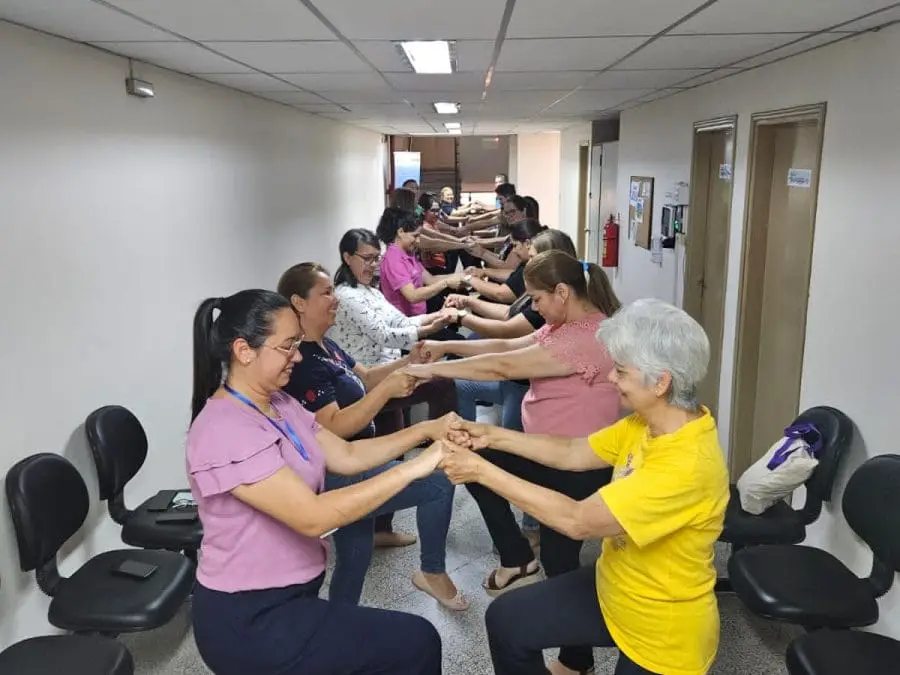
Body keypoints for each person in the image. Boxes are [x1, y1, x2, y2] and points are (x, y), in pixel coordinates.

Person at [441, 299, 728, 675]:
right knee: (508, 621)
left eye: (621, 372)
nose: (611, 378)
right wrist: (490, 436)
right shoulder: (647, 423)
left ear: (661, 382)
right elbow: (573, 450)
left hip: (663, 632)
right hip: (614, 587)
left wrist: (480, 471)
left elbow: (578, 520)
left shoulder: (686, 463)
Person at [186, 289, 446, 675]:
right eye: (288, 346)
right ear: (244, 351)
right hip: (250, 616)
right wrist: (414, 467)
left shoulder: (278, 403)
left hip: (290, 597)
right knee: (417, 642)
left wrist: (427, 430)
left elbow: (347, 454)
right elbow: (314, 517)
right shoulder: (224, 429)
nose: (298, 355)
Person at [409, 250, 622, 675]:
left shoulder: (588, 337)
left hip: (576, 465)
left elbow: (505, 364)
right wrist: (444, 346)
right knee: (478, 465)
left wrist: (437, 370)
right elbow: (508, 344)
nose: (534, 308)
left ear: (563, 292)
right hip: (549, 454)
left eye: (538, 299)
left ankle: (576, 659)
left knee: (561, 561)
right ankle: (518, 556)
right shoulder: (565, 326)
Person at [276, 264, 467, 609]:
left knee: (355, 553)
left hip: (358, 458)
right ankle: (431, 572)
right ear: (299, 303)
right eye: (326, 293)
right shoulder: (302, 361)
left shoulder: (326, 346)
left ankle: (340, 621)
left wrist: (406, 362)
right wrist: (386, 392)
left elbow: (365, 376)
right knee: (440, 482)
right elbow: (333, 427)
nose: (335, 300)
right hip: (339, 471)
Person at [377, 207, 464, 317]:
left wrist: (460, 276)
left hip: (419, 318)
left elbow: (430, 280)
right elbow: (412, 295)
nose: (418, 241)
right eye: (415, 236)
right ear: (400, 232)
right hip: (406, 322)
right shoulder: (393, 258)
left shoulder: (408, 253)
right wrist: (446, 283)